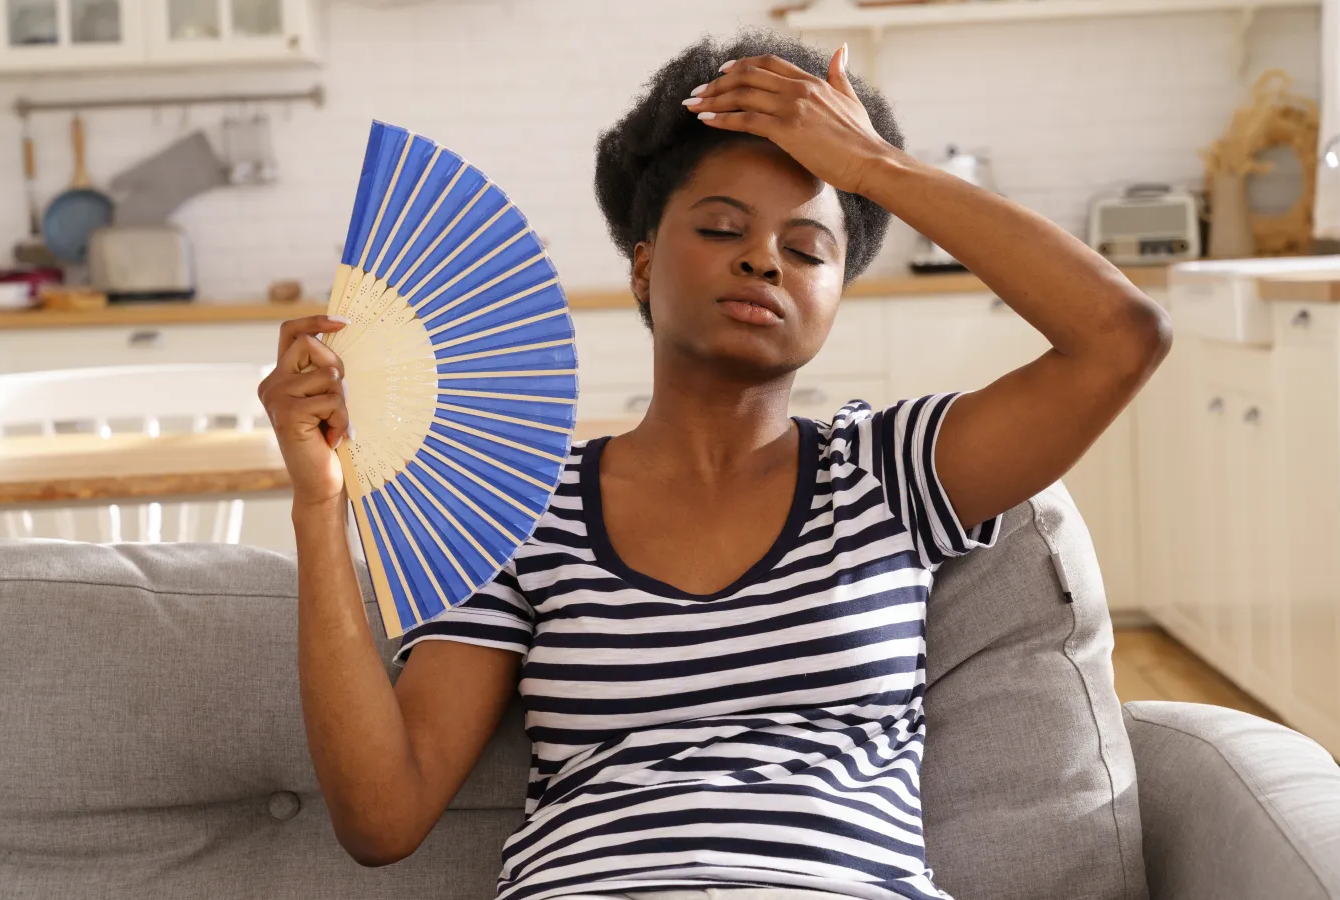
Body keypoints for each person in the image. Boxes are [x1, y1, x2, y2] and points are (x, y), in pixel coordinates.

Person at [257, 27, 1169, 900]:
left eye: (808, 248)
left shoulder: (889, 472)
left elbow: (1121, 339)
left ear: (834, 296)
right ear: (645, 268)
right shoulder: (519, 506)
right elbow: (382, 819)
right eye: (722, 228)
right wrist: (319, 505)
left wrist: (871, 169)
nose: (763, 261)